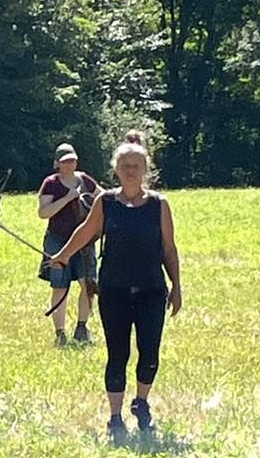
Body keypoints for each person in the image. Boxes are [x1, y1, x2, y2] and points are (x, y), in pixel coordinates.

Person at [51, 140, 182, 441]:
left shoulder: (159, 205)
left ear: (146, 169)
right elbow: (85, 232)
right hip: (114, 291)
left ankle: (142, 403)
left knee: (149, 353)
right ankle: (114, 417)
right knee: (117, 354)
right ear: (116, 170)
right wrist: (64, 255)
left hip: (151, 290)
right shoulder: (106, 202)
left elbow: (169, 249)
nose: (131, 171)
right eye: (125, 166)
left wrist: (177, 286)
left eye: (136, 165)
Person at [37, 143, 100, 346]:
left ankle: (82, 328)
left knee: (87, 284)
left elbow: (103, 197)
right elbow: (43, 212)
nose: (69, 164)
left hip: (84, 240)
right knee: (59, 286)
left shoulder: (85, 180)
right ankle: (60, 333)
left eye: (72, 160)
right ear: (57, 163)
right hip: (57, 240)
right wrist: (67, 198)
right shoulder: (51, 184)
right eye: (65, 161)